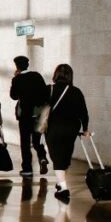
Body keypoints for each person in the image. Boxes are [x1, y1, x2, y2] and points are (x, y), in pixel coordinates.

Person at [45, 64, 90, 203]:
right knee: (64, 157)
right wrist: (85, 128)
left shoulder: (49, 89)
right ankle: (60, 182)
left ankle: (63, 189)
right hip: (71, 130)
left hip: (53, 129)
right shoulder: (76, 92)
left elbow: (40, 108)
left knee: (57, 158)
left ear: (56, 74)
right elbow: (84, 113)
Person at [9, 55, 50, 178]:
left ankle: (27, 169)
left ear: (17, 66)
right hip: (37, 114)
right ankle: (42, 158)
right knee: (37, 140)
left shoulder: (17, 79)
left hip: (25, 115)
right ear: (28, 65)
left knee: (25, 142)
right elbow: (44, 93)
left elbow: (14, 96)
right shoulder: (36, 76)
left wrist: (15, 78)